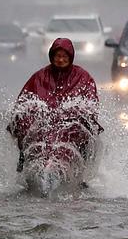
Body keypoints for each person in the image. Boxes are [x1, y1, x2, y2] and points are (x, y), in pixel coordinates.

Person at [9, 37, 102, 172]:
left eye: (64, 56)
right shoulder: (39, 77)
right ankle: (26, 162)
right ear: (52, 56)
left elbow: (91, 103)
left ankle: (81, 170)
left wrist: (74, 113)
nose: (60, 60)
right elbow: (24, 101)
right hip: (44, 126)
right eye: (58, 56)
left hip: (69, 128)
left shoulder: (82, 77)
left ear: (70, 57)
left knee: (83, 130)